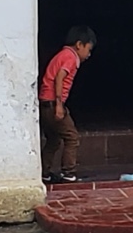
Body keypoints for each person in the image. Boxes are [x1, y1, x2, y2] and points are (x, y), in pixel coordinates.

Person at [39, 25, 96, 184]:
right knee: (72, 137)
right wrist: (59, 104)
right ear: (79, 45)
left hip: (45, 104)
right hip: (53, 103)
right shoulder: (70, 57)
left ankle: (44, 172)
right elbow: (60, 78)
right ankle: (68, 173)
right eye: (88, 49)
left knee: (53, 140)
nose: (89, 54)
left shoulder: (62, 55)